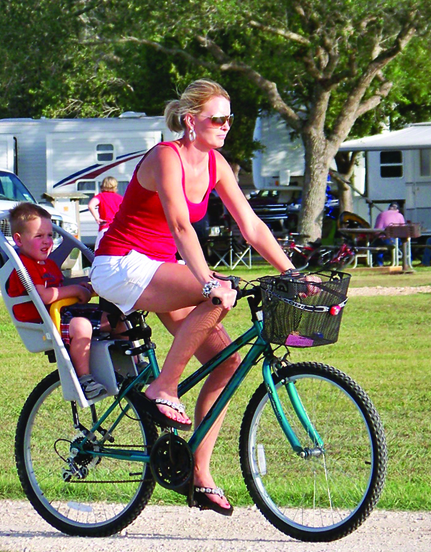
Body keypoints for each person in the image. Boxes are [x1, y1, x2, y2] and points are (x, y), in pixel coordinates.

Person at [89, 78, 301, 516]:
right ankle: (162, 388)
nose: (225, 126)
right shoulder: (166, 157)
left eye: (229, 120)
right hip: (121, 266)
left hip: (160, 271)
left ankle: (199, 476)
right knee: (218, 295)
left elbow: (252, 226)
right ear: (191, 120)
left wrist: (292, 273)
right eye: (217, 119)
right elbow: (182, 226)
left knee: (227, 364)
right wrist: (208, 283)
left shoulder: (217, 164)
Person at [7, 202, 108, 400]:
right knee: (81, 326)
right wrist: (76, 290)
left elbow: (61, 289)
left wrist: (85, 287)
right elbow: (44, 296)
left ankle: (132, 364)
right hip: (44, 321)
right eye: (38, 236)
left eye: (49, 235)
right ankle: (85, 379)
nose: (47, 242)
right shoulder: (24, 267)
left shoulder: (49, 264)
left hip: (64, 313)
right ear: (18, 240)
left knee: (113, 317)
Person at [87, 176, 124, 250]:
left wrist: (97, 218)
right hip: (117, 229)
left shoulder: (101, 196)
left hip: (105, 227)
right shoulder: (120, 198)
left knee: (99, 251)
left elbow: (91, 205)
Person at [372, 202, 405, 267]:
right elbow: (403, 229)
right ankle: (407, 262)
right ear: (397, 209)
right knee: (404, 244)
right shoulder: (399, 215)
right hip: (392, 240)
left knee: (379, 247)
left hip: (378, 238)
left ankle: (379, 263)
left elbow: (376, 229)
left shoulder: (381, 214)